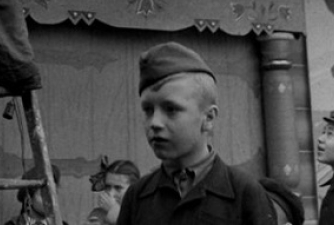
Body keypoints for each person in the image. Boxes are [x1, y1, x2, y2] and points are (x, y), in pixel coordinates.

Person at [116, 41, 276, 225]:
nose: (155, 123)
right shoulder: (137, 197)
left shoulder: (245, 194)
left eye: (171, 109)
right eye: (148, 110)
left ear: (208, 118)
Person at [88, 158, 140, 224]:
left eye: (118, 188)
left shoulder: (145, 213)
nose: (111, 193)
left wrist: (115, 212)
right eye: (107, 187)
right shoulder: (98, 214)